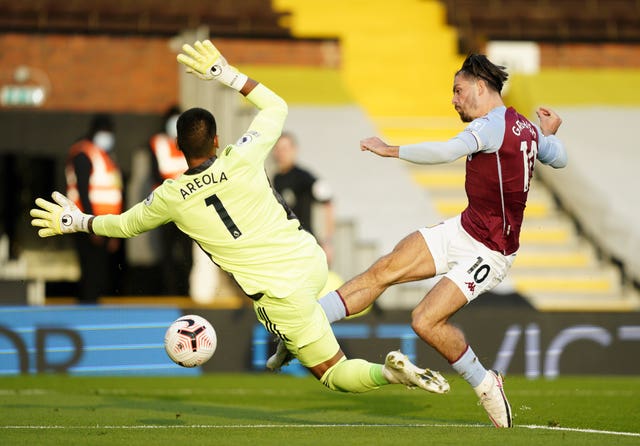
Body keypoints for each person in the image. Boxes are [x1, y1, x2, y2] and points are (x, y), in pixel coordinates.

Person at [30, 39, 449, 396]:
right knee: (321, 308)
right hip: (309, 259)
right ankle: (294, 338)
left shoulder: (171, 196)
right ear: (216, 139)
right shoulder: (242, 156)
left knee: (334, 374)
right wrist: (225, 73)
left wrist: (77, 221)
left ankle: (388, 372)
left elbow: (121, 225)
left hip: (277, 294)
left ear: (177, 148)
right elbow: (276, 106)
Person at [270, 54, 568, 427]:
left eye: (458, 91)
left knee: (425, 320)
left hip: (490, 251)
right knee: (384, 269)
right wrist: (547, 133)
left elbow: (446, 151)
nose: (454, 100)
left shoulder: (491, 126)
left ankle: (485, 382)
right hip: (464, 229)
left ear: (480, 86)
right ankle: (305, 327)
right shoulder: (523, 126)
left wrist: (389, 149)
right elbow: (559, 158)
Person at [64, 113, 123, 303]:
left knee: (99, 271)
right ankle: (86, 309)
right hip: (86, 222)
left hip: (105, 223)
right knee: (90, 270)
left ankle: (92, 305)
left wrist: (114, 231)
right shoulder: (83, 153)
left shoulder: (105, 156)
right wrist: (91, 224)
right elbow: (82, 190)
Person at [149, 105, 193, 296]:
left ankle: (186, 290)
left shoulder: (191, 143)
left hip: (189, 208)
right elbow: (155, 175)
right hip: (165, 207)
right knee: (166, 253)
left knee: (187, 253)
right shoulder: (157, 143)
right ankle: (170, 291)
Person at [272, 132, 335, 262]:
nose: (281, 153)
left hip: (305, 241)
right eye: (277, 149)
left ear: (294, 150)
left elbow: (328, 201)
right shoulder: (276, 178)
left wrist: (327, 241)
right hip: (285, 243)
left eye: (285, 149)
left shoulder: (304, 177)